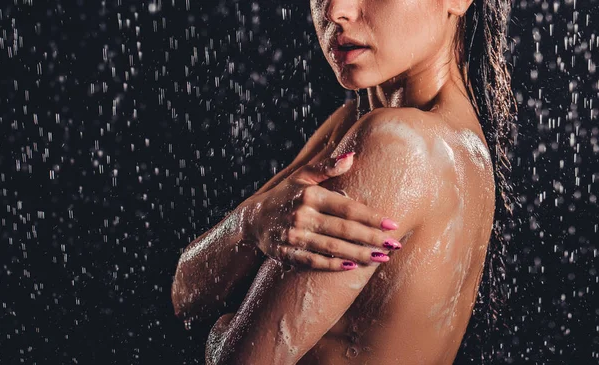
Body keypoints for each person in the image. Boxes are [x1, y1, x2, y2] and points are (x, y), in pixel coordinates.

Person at [172, 0, 516, 363]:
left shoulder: (395, 144)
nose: (336, 10)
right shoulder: (382, 125)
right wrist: (251, 222)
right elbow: (186, 296)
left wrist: (222, 328)